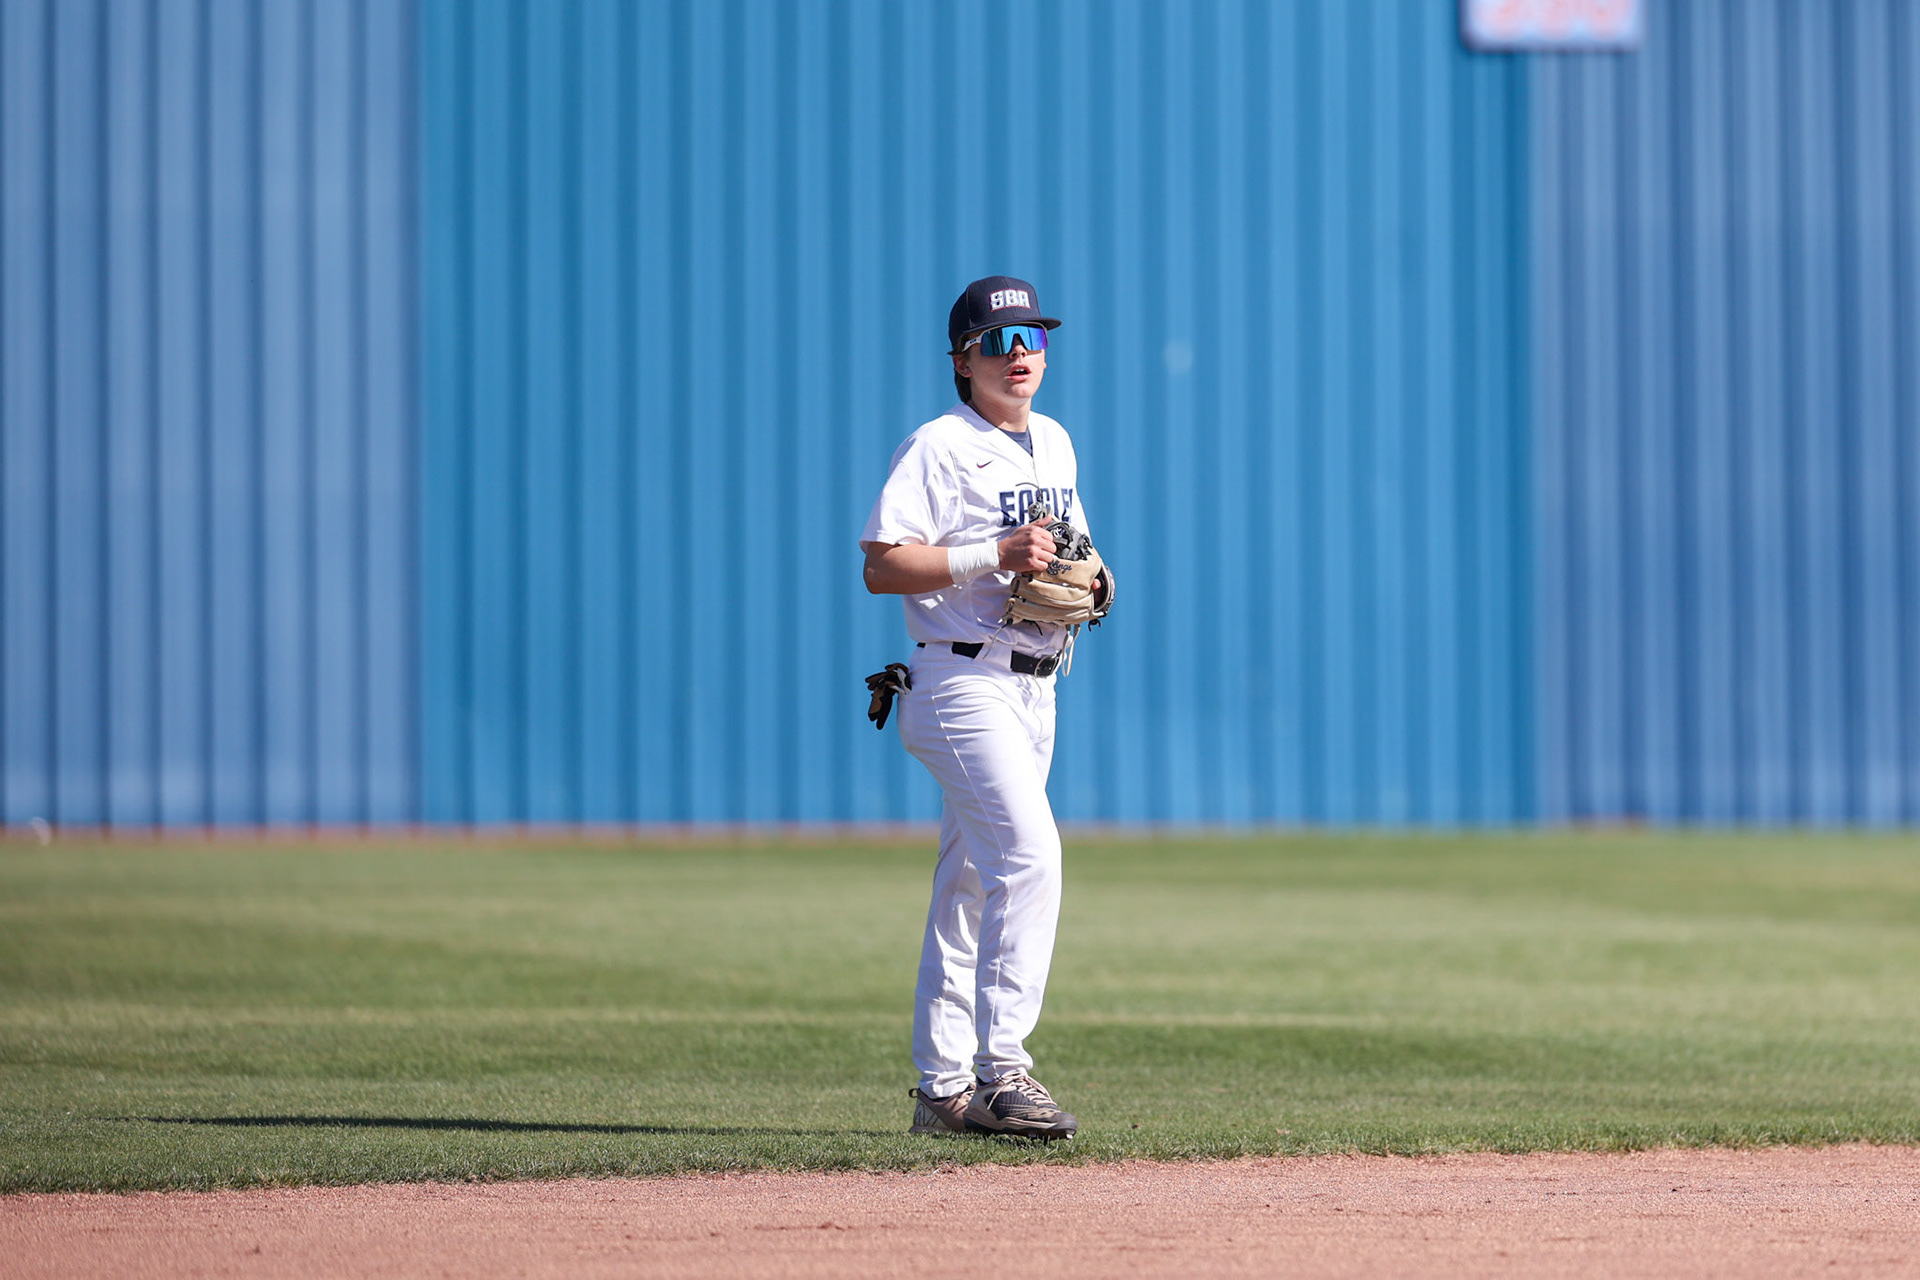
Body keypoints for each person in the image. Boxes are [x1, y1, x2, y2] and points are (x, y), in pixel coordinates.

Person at [858, 276, 1092, 1139]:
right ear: (963, 360)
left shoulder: (1056, 444)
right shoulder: (939, 444)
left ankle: (942, 1090)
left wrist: (1094, 578)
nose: (1020, 354)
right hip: (959, 681)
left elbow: (1068, 547)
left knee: (967, 882)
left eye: (1032, 336)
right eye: (998, 342)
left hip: (1036, 685)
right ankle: (1006, 1071)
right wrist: (988, 552)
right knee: (1029, 855)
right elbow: (882, 565)